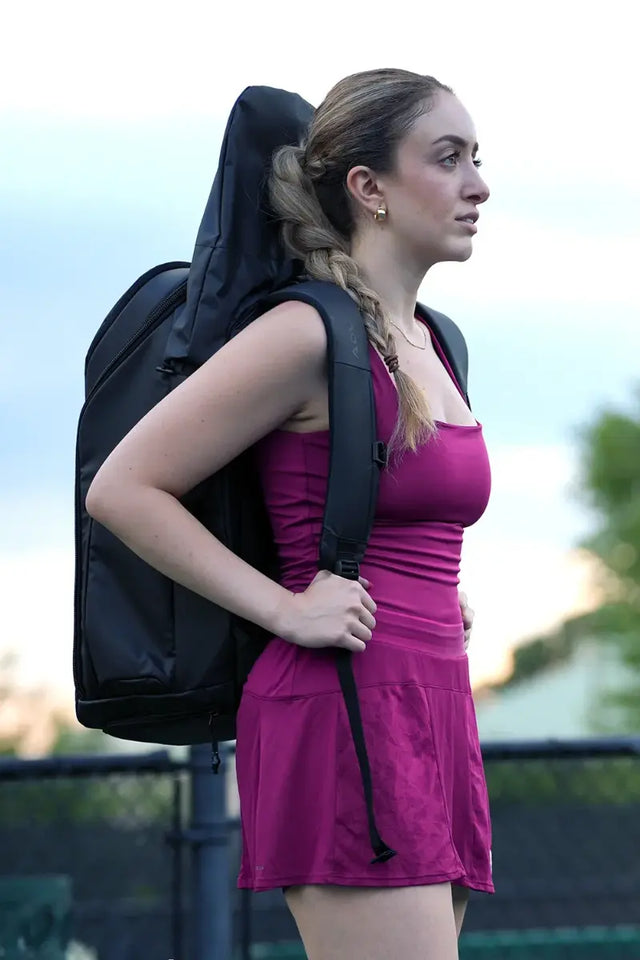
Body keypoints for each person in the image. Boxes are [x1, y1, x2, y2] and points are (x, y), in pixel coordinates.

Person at [86, 68, 493, 959]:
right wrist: (283, 606)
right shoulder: (307, 332)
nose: (478, 184)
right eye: (449, 157)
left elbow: (402, 518)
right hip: (342, 707)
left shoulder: (436, 342)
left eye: (477, 158)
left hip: (434, 701)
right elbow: (123, 487)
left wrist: (435, 593)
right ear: (369, 188)